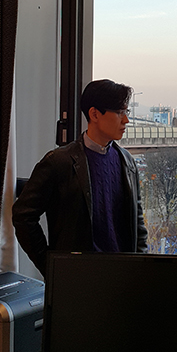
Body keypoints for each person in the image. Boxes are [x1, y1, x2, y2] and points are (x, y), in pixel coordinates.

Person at [12, 79, 148, 277]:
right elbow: (23, 216)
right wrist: (52, 266)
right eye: (120, 112)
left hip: (122, 277)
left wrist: (140, 268)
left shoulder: (126, 161)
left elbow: (138, 224)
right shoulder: (59, 162)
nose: (126, 120)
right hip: (78, 279)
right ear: (95, 114)